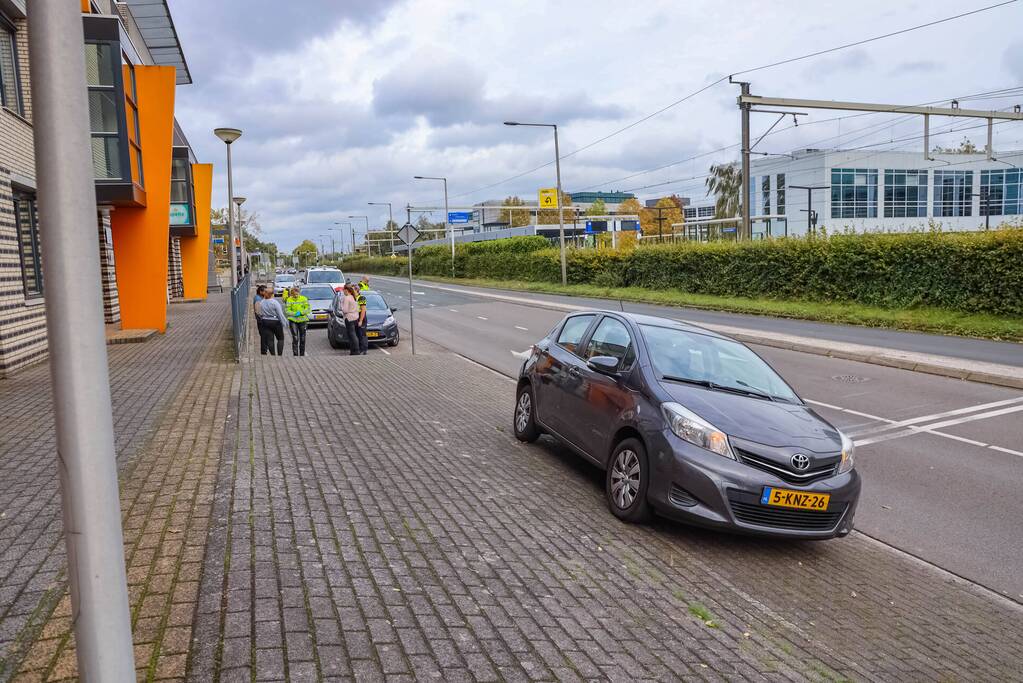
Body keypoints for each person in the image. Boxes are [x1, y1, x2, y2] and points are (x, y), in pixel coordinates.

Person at [256, 287, 287, 355]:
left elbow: (259, 313)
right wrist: (284, 323)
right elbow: (280, 314)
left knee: (270, 339)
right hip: (275, 322)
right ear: (272, 294)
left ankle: (273, 355)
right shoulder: (275, 303)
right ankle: (279, 355)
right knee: (280, 338)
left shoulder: (262, 302)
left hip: (265, 321)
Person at [284, 285, 310, 356]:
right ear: (291, 294)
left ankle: (302, 354)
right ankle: (295, 355)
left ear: (299, 293)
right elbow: (287, 310)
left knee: (303, 338)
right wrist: (295, 314)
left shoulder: (304, 299)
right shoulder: (289, 300)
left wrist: (301, 313)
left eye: (297, 294)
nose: (296, 295)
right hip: (293, 320)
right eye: (294, 294)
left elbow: (308, 309)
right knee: (295, 338)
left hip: (303, 320)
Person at [340, 285, 360, 356]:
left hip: (349, 318)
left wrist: (341, 305)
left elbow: (345, 310)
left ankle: (356, 350)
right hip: (355, 318)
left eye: (343, 290)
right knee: (354, 334)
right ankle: (353, 351)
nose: (343, 291)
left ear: (346, 290)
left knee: (351, 335)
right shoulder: (353, 297)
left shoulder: (347, 298)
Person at [356, 286, 369, 355]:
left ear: (357, 291)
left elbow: (363, 310)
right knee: (358, 334)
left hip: (361, 317)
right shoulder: (355, 297)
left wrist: (360, 320)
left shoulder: (361, 298)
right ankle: (360, 348)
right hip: (356, 316)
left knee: (362, 334)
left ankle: (364, 350)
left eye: (353, 290)